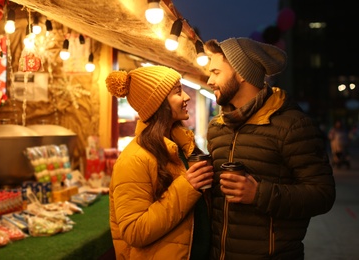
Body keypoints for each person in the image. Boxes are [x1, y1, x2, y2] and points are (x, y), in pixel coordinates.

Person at [204, 37, 336, 259]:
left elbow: (323, 195)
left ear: (242, 73)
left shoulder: (291, 125)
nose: (209, 80)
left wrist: (258, 194)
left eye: (216, 72)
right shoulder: (217, 127)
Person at [105, 65, 214, 259]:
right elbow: (133, 231)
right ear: (158, 103)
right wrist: (186, 187)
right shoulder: (134, 158)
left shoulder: (180, 146)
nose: (187, 97)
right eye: (178, 92)